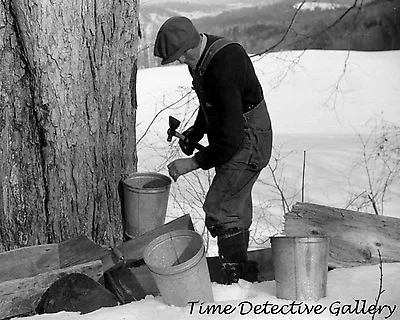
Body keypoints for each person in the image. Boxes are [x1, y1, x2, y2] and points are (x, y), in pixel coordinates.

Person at [154, 16, 273, 284]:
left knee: (221, 207)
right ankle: (241, 275)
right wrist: (196, 133)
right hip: (233, 134)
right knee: (233, 207)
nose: (182, 62)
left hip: (248, 139)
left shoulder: (224, 65)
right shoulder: (202, 58)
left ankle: (234, 279)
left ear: (191, 44)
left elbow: (230, 140)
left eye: (182, 56)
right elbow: (211, 103)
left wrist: (193, 162)